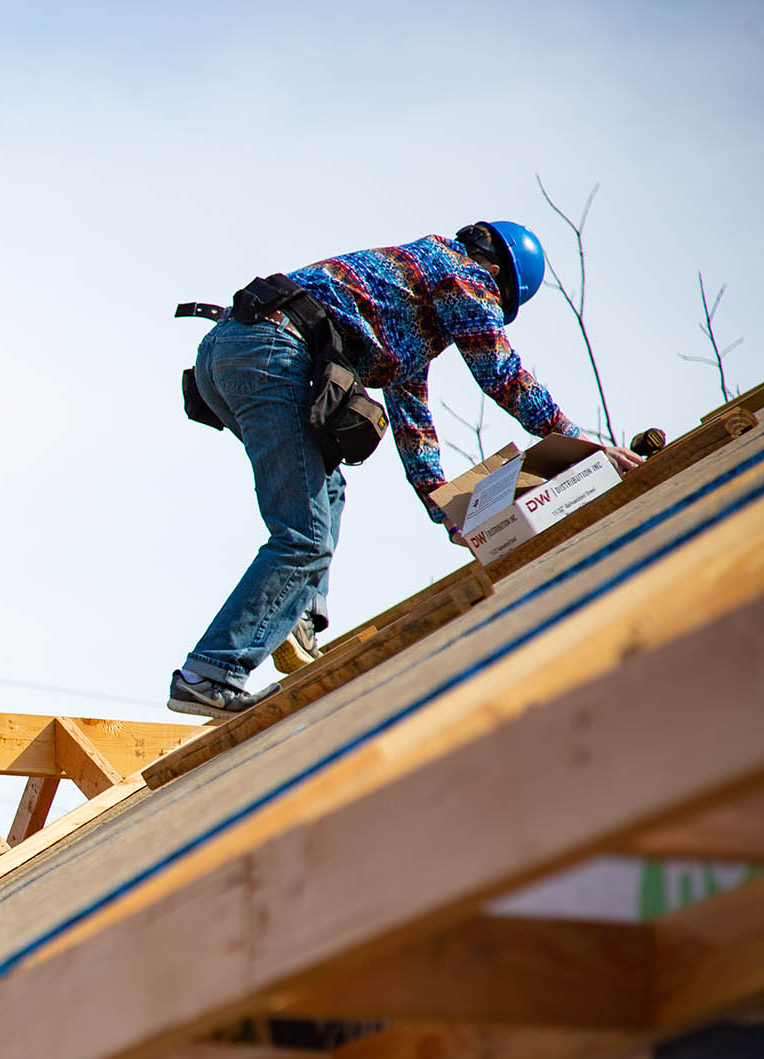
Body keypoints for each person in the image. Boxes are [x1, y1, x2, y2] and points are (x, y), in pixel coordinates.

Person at [169, 221, 641, 719]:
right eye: (493, 312)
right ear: (495, 274)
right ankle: (210, 672)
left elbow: (413, 422)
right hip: (270, 351)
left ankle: (297, 616)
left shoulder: (412, 304)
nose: (482, 323)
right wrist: (576, 442)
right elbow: (502, 375)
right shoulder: (464, 275)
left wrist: (447, 511)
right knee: (304, 535)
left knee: (327, 487)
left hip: (230, 352)